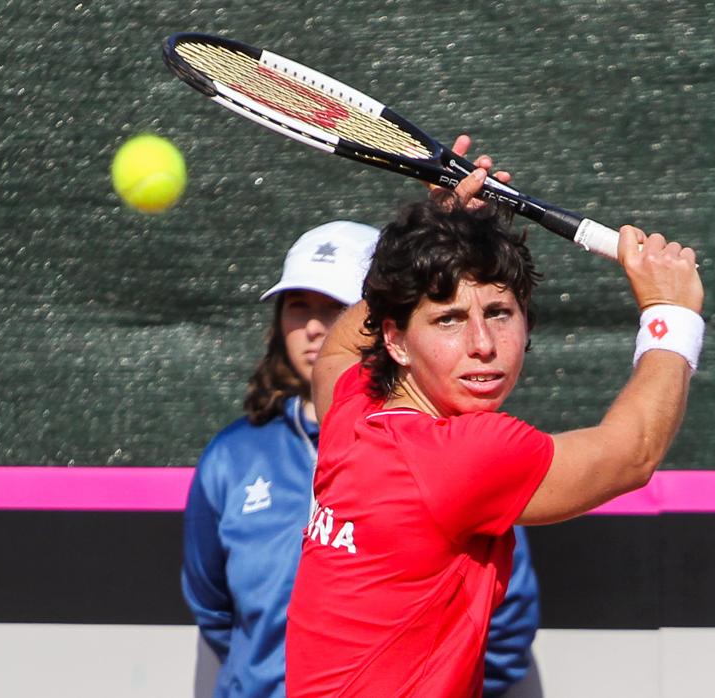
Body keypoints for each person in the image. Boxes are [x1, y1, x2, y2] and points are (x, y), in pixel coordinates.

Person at [285, 143, 703, 697]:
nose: (483, 345)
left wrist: (433, 236)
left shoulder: (354, 412)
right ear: (396, 339)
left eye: (499, 313)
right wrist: (670, 314)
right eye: (449, 320)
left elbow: (340, 352)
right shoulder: (463, 455)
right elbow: (634, 452)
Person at [181, 220, 542, 698]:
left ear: (386, 320)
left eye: (335, 306)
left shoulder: (463, 458)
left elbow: (505, 623)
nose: (312, 325)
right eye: (297, 305)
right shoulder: (232, 456)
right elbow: (213, 609)